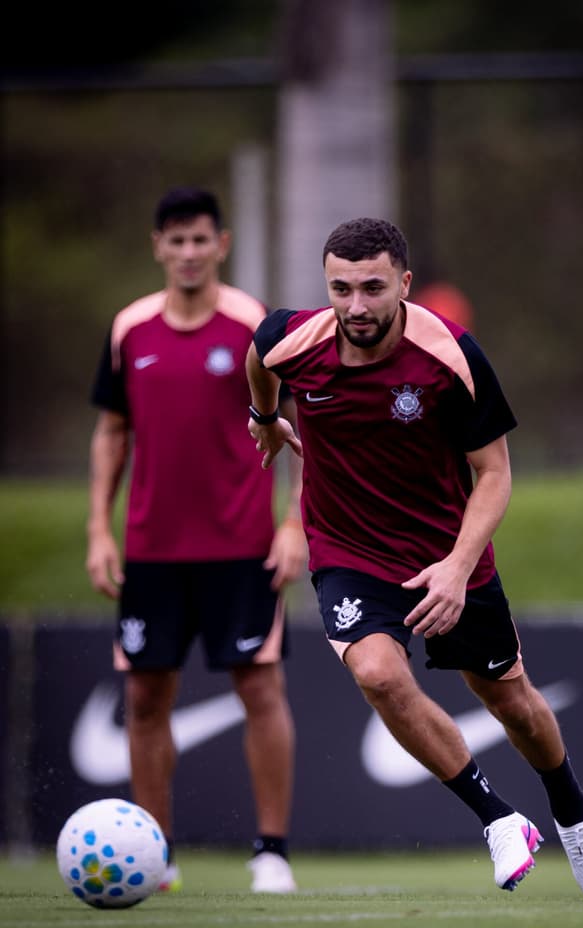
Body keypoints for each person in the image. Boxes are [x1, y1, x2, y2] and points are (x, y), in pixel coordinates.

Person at [244, 216, 583, 901]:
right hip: (346, 548)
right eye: (341, 289)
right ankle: (498, 819)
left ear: (404, 285)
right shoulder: (292, 339)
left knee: (508, 698)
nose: (356, 305)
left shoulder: (450, 356)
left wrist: (454, 567)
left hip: (448, 554)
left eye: (372, 288)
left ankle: (572, 811)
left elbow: (497, 475)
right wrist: (266, 418)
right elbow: (259, 356)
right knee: (380, 676)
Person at [86, 187, 306, 894]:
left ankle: (271, 852)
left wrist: (296, 522)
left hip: (243, 547)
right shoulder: (129, 329)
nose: (187, 253)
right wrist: (99, 527)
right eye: (174, 240)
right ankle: (157, 857)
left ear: (222, 243)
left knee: (260, 690)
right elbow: (112, 432)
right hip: (151, 551)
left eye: (199, 240)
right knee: (146, 700)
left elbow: (309, 429)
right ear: (157, 247)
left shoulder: (253, 326)